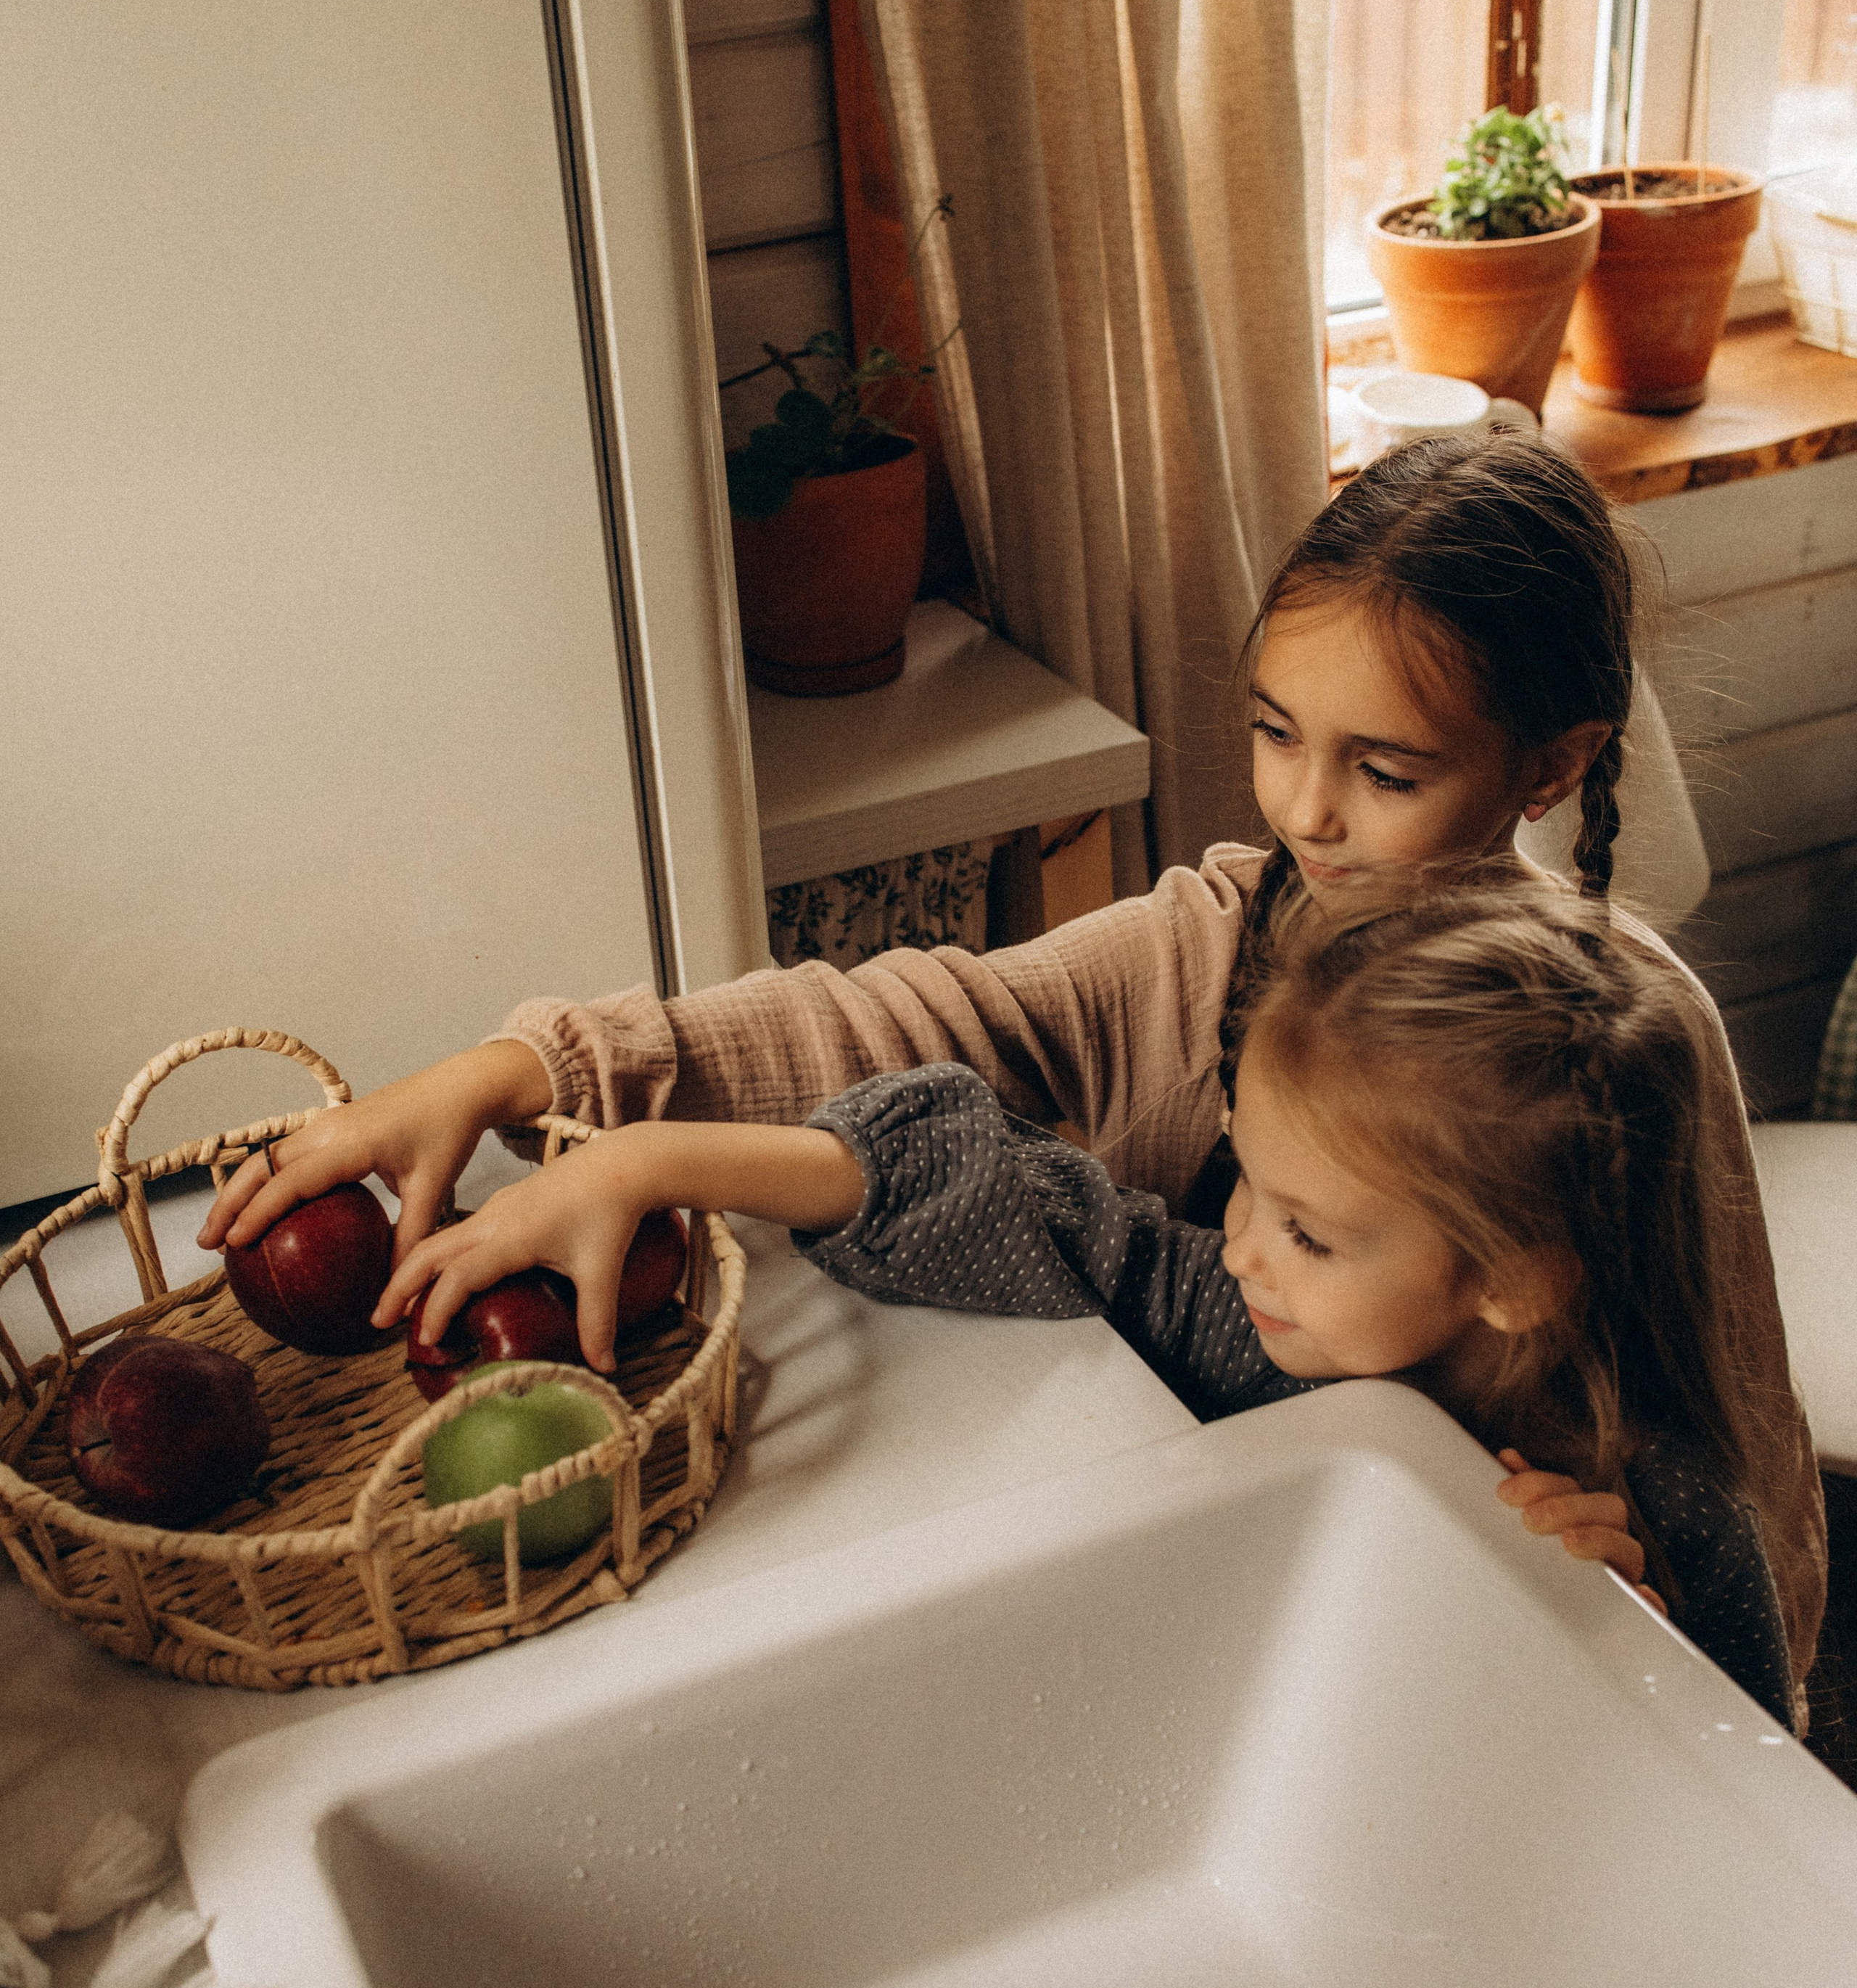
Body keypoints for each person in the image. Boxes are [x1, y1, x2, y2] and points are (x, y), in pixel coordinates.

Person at [199, 431, 1824, 1700]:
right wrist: (517, 1071)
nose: (1303, 813)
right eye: (1271, 733)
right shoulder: (1226, 935)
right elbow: (916, 1032)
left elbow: (1738, 1462)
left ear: (1551, 767)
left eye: (1381, 771)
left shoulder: (1626, 1053)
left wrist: (1666, 1638)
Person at [365, 883, 1795, 1730]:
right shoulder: (1262, 1331)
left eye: (1302, 1231)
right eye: (1246, 1187)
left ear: (1517, 1278)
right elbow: (1014, 1198)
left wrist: (1639, 1640)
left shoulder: (1670, 1511)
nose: (1236, 1248)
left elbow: (1755, 1804)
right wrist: (656, 1155)